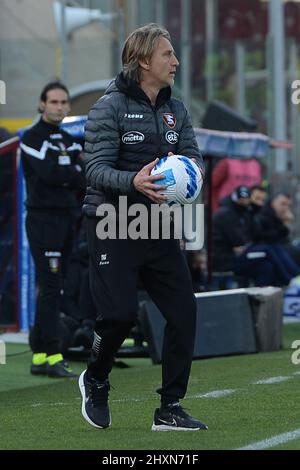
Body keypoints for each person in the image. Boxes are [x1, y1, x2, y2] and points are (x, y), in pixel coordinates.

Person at [79, 23, 208, 431]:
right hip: (112, 222)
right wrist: (133, 181)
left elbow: (194, 160)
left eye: (174, 54)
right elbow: (95, 169)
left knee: (184, 311)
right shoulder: (108, 107)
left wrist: (188, 179)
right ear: (143, 60)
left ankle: (170, 407)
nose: (176, 61)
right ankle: (96, 379)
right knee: (118, 315)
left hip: (159, 223)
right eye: (168, 54)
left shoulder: (178, 110)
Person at [20, 81, 86, 377]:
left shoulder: (68, 138)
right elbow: (52, 174)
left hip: (67, 219)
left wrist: (70, 173)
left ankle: (40, 356)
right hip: (43, 221)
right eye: (54, 102)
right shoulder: (32, 138)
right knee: (50, 286)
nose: (59, 107)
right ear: (41, 104)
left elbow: (81, 176)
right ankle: (53, 354)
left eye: (63, 102)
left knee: (55, 286)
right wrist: (71, 172)